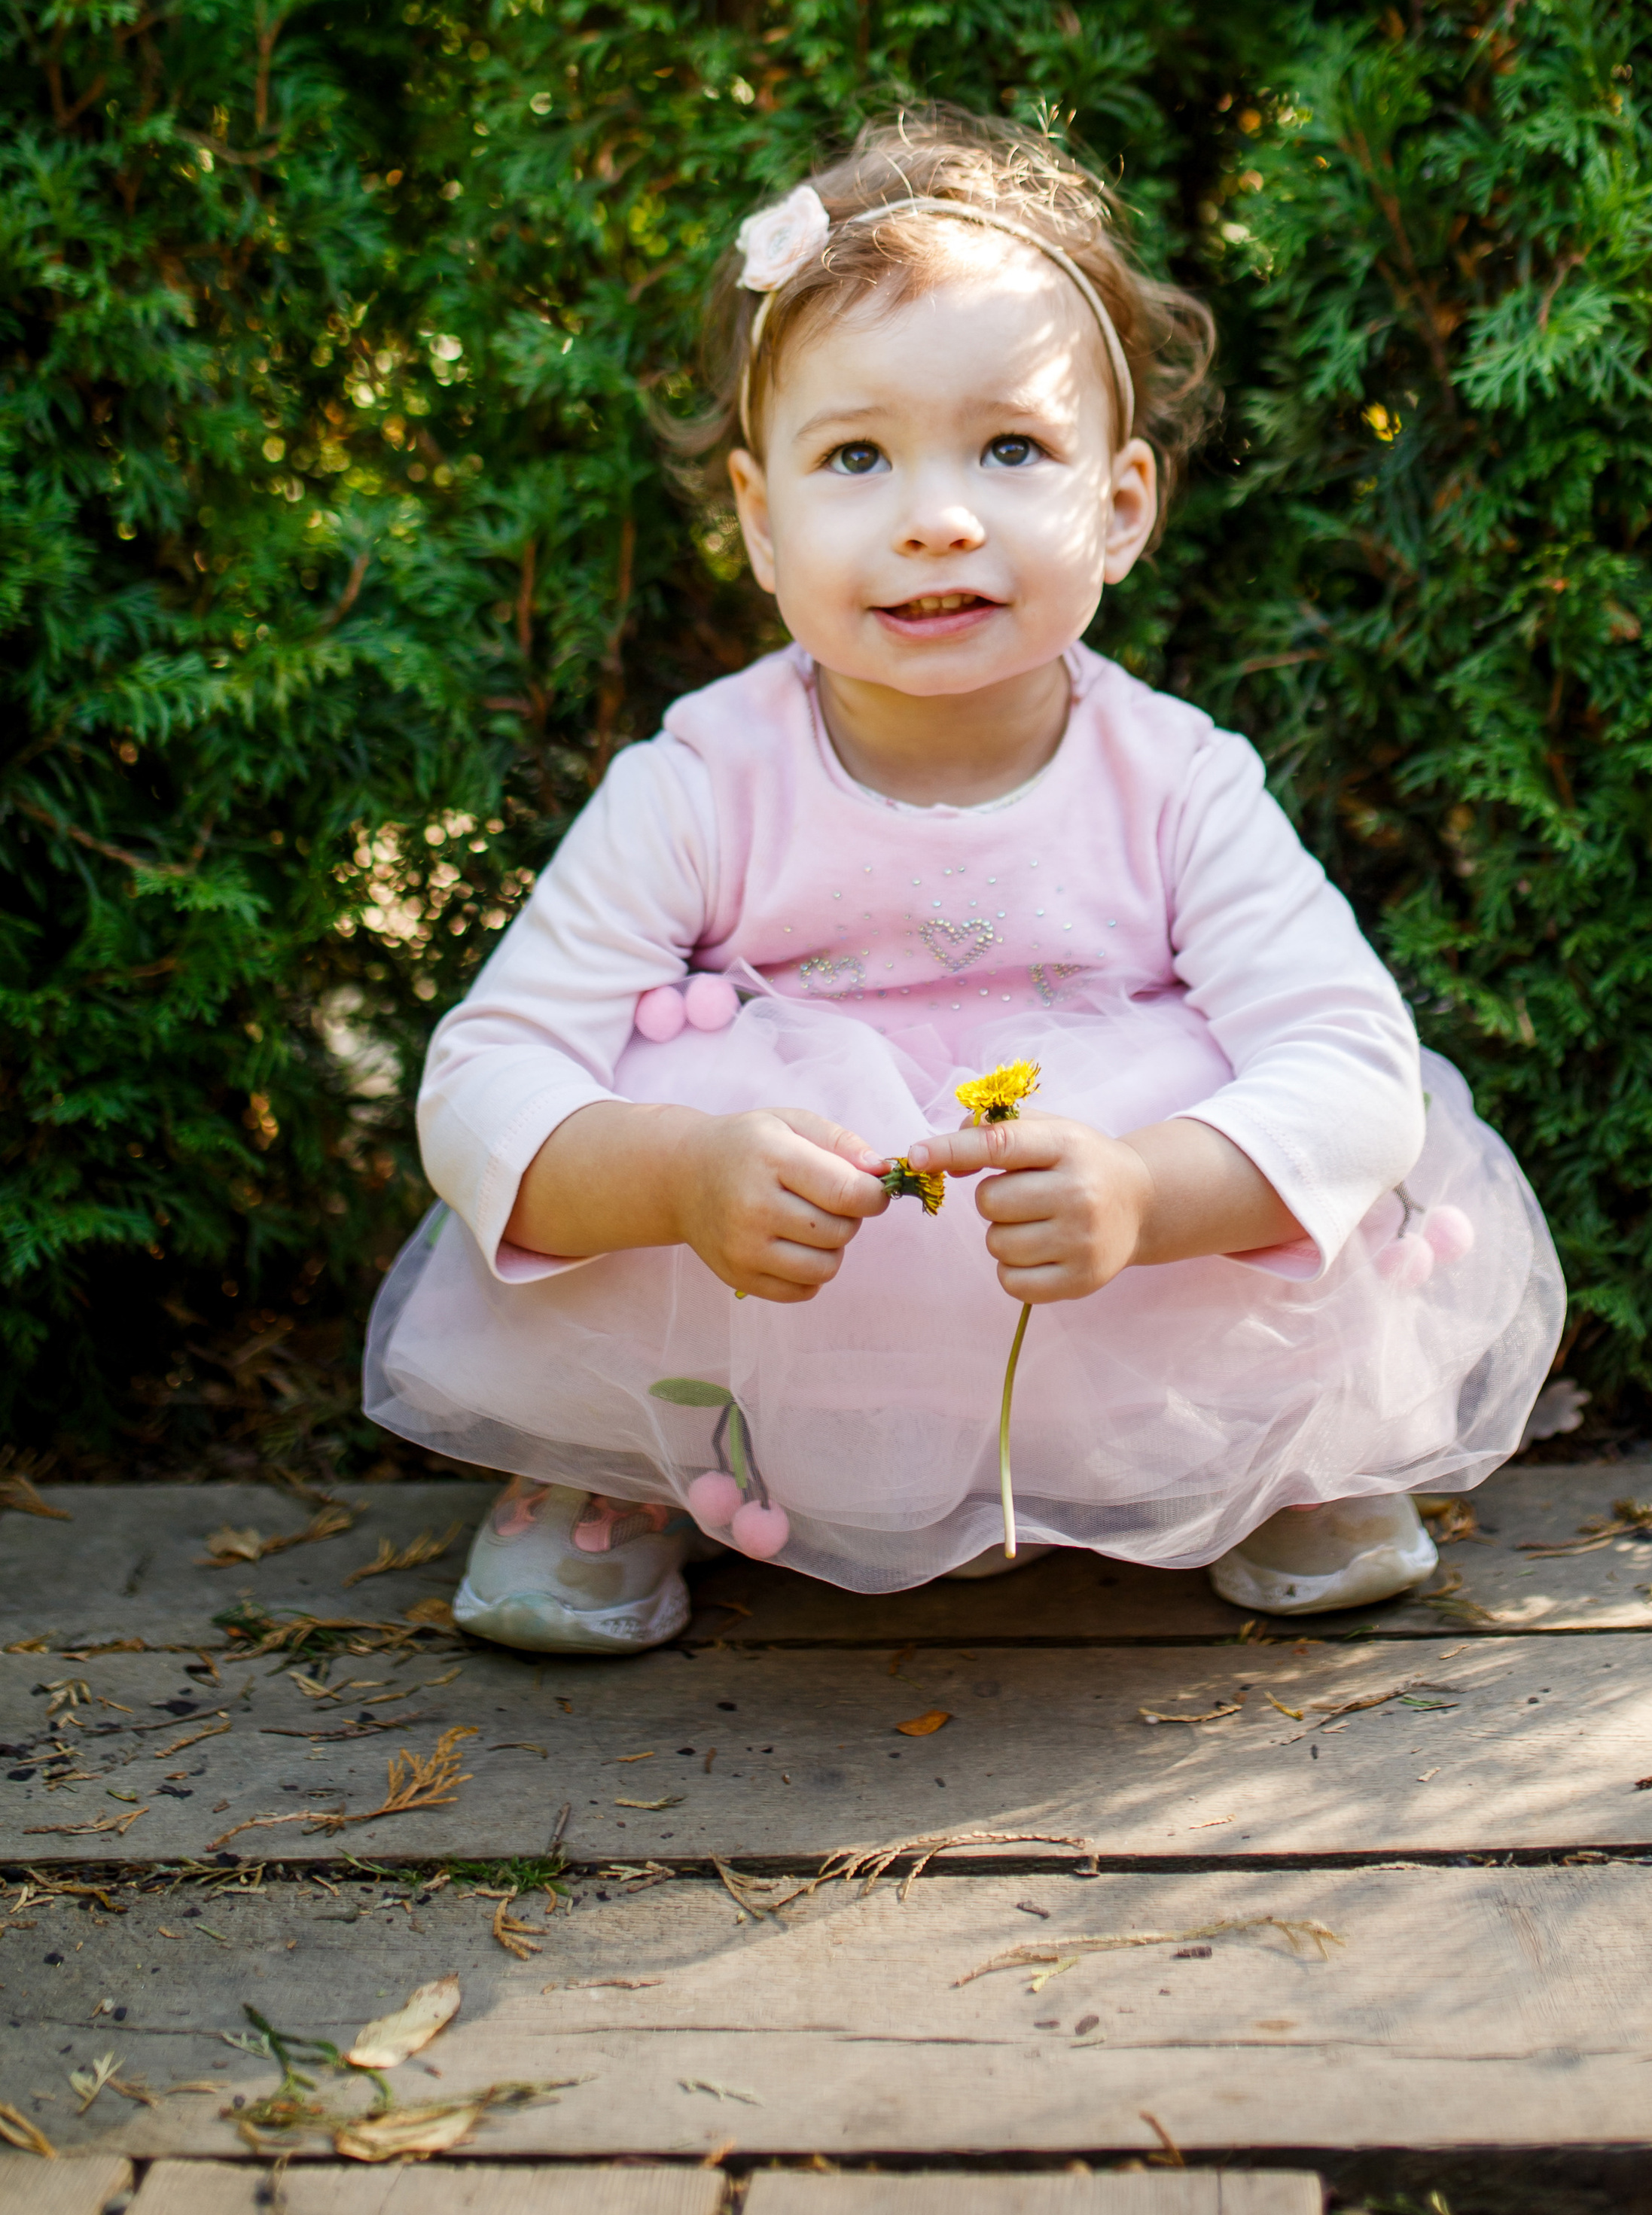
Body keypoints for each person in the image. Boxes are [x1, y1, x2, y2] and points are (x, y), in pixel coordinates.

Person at [364, 110, 1563, 1653]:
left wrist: (1150, 1194)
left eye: (1010, 448)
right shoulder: (701, 783)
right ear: (759, 520)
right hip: (780, 1289)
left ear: (1118, 506)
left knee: (1222, 1110)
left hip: (1094, 1277)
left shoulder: (1177, 782)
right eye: (856, 456)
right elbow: (484, 1078)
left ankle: (1264, 1448)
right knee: (664, 1092)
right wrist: (677, 1176)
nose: (937, 517)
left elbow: (1352, 1067)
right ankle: (638, 1459)